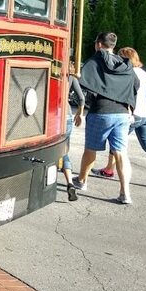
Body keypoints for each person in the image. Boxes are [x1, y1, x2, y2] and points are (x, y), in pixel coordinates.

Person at [91, 48, 146, 188]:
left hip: (133, 115)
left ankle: (109, 170)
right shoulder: (140, 72)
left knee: (116, 142)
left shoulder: (127, 72)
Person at [73, 32, 139, 205]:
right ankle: (125, 193)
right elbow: (136, 84)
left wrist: (80, 108)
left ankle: (81, 181)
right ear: (113, 46)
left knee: (91, 149)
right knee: (121, 153)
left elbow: (81, 80)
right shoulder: (125, 64)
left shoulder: (95, 60)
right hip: (123, 113)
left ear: (99, 44)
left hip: (101, 112)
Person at [62, 62, 85, 201]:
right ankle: (70, 182)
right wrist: (79, 114)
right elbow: (81, 98)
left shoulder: (52, 74)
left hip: (53, 115)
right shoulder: (71, 77)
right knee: (64, 151)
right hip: (67, 115)